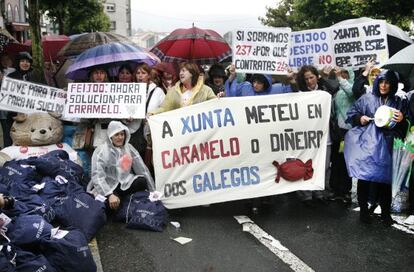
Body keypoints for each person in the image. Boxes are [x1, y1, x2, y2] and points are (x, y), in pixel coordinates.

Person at [345, 70, 406, 225]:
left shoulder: (398, 101)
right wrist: (360, 118)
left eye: (387, 82)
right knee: (365, 176)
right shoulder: (367, 98)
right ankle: (364, 211)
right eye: (381, 82)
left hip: (386, 145)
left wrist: (402, 120)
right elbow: (351, 114)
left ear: (392, 85)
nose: (383, 86)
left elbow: (406, 124)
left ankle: (385, 213)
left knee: (385, 179)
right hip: (368, 144)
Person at [295, 65, 339, 206]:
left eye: (312, 77)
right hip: (308, 137)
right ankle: (306, 196)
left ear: (317, 77)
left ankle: (319, 193)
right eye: (306, 78)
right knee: (306, 166)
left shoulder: (325, 90)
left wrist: (324, 78)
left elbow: (335, 88)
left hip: (325, 137)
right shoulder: (300, 93)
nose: (309, 81)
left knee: (324, 166)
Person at [87, 121, 155, 210]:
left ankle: (123, 201)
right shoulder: (101, 151)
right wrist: (109, 194)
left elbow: (142, 169)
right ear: (110, 136)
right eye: (116, 135)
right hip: (109, 185)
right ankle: (121, 201)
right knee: (108, 206)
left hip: (124, 183)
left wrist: (153, 192)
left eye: (122, 134)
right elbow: (97, 176)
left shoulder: (129, 148)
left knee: (141, 181)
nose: (120, 137)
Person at [329, 67, 355, 203]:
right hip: (337, 131)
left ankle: (345, 191)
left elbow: (351, 92)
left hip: (349, 132)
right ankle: (335, 190)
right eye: (341, 72)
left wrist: (339, 77)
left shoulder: (354, 89)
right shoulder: (338, 92)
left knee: (346, 163)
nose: (343, 75)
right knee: (336, 162)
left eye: (346, 72)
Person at [150, 62, 217, 114]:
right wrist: (152, 113)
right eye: (180, 71)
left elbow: (215, 105)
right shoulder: (173, 91)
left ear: (192, 73)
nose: (180, 73)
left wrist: (219, 99)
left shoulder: (206, 90)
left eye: (183, 71)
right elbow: (164, 108)